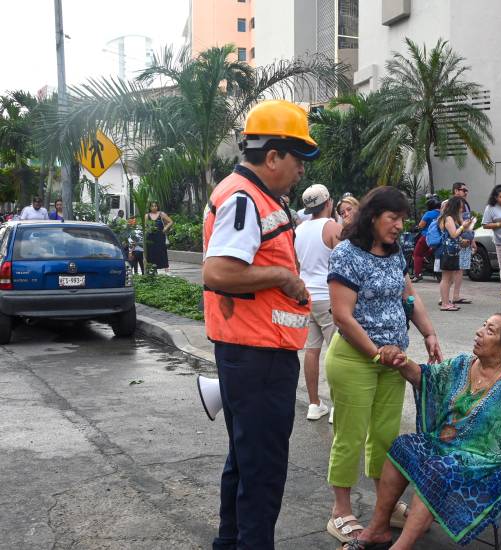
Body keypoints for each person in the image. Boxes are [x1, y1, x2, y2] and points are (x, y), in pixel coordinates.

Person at [340, 312, 501, 549]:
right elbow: (426, 377)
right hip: (448, 444)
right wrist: (402, 360)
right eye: (483, 325)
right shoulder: (462, 365)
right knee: (403, 445)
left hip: (488, 460)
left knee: (438, 469)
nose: (479, 332)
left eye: (490, 331)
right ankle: (378, 528)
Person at [201, 99, 318, 549]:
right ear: (272, 156)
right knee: (263, 472)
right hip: (257, 356)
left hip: (253, 353)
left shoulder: (253, 196)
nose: (301, 171)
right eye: (298, 159)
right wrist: (283, 277)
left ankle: (229, 544)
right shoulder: (245, 199)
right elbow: (219, 272)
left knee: (246, 463)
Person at [325, 186, 442, 544]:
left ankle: (385, 506)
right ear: (373, 216)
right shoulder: (347, 254)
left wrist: (428, 332)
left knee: (386, 438)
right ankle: (340, 511)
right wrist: (377, 352)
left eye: (403, 219)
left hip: (394, 360)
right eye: (393, 218)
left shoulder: (395, 252)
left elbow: (408, 294)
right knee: (351, 435)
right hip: (354, 359)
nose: (398, 225)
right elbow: (343, 316)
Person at [295, 183, 342, 421]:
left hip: (306, 297)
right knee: (337, 353)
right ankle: (338, 406)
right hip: (328, 297)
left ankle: (314, 404)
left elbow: (296, 263)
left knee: (311, 351)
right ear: (328, 203)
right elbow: (344, 263)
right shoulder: (332, 227)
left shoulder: (299, 229)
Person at [437, 197, 476, 311]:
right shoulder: (448, 218)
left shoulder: (451, 218)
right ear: (455, 206)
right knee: (446, 278)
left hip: (453, 251)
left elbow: (459, 234)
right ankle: (445, 303)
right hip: (448, 251)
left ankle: (446, 301)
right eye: (460, 206)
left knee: (449, 278)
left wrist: (467, 225)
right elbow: (454, 234)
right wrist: (463, 226)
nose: (462, 208)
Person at [411, 195, 441, 282]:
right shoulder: (442, 214)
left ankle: (418, 275)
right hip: (439, 238)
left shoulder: (428, 214)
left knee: (417, 254)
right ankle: (426, 257)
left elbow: (420, 226)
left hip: (427, 237)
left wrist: (415, 227)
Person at [145, 201, 173, 273]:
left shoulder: (161, 214)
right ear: (150, 207)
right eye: (152, 206)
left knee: (162, 251)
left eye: (155, 206)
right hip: (150, 237)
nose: (154, 207)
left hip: (160, 236)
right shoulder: (147, 216)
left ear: (157, 207)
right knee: (151, 253)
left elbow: (170, 221)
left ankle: (166, 270)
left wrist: (165, 228)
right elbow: (145, 226)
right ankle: (153, 270)